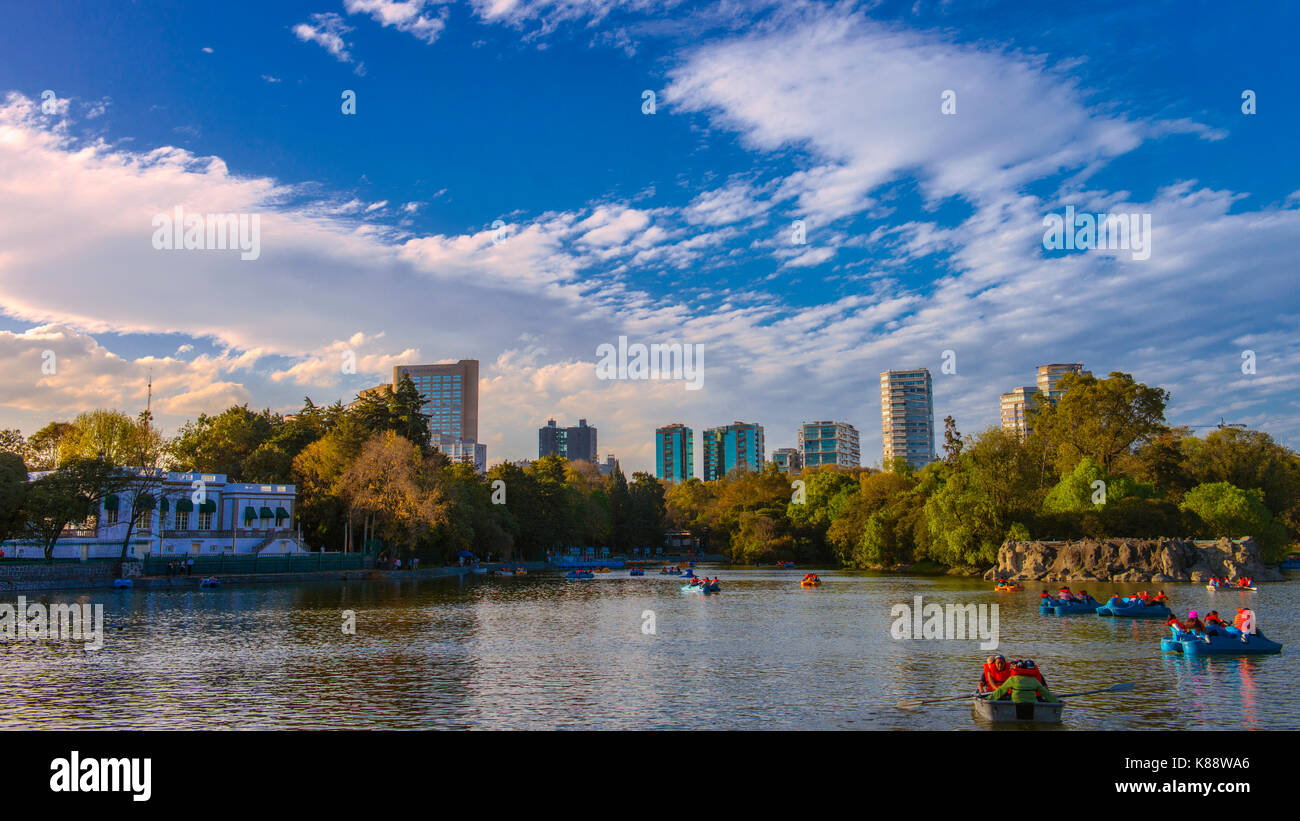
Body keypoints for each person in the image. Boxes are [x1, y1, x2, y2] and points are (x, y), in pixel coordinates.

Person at [986, 661, 1059, 704]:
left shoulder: (1012, 679)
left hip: (1015, 704)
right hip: (1032, 704)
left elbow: (1000, 691)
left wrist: (988, 699)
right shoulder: (1034, 681)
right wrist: (1056, 702)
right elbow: (1046, 693)